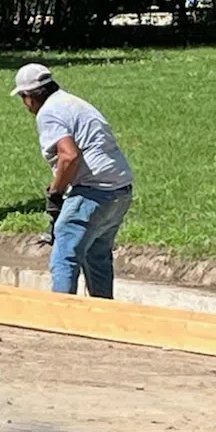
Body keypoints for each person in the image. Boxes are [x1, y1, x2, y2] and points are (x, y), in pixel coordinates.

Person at [10, 63, 134, 297]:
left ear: (29, 97)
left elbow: (69, 155)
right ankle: (103, 313)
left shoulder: (48, 112)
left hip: (93, 190)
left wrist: (56, 192)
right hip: (119, 189)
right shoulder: (72, 102)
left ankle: (62, 315)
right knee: (97, 256)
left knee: (64, 254)